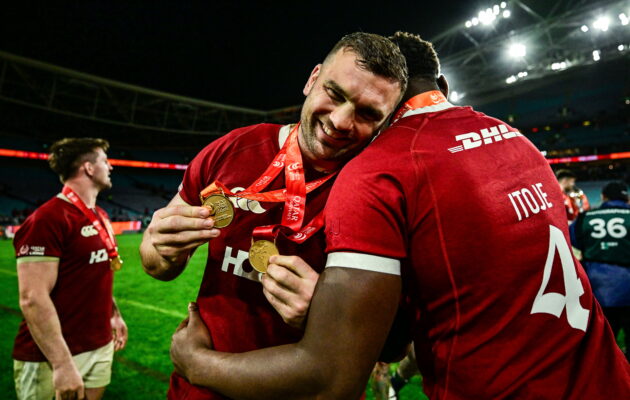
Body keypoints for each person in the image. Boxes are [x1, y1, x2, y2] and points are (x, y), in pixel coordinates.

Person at [168, 31, 630, 399]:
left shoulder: (380, 170)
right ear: (443, 88)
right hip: (608, 376)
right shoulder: (516, 140)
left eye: (369, 111)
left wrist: (196, 363)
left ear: (387, 109)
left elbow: (332, 377)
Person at [139, 32, 407, 400]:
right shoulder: (232, 149)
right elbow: (157, 266)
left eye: (367, 113)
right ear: (312, 79)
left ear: (386, 122)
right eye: (335, 93)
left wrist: (326, 315)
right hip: (195, 390)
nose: (342, 121)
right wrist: (160, 246)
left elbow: (395, 344)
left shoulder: (385, 194)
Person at [12, 138, 128, 400]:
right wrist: (62, 364)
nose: (111, 167)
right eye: (104, 161)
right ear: (88, 168)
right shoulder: (47, 219)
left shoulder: (101, 215)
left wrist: (114, 314)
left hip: (99, 342)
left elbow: (92, 275)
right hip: (53, 354)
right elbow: (32, 298)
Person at [570, 181, 630, 361]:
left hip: (597, 290)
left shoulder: (585, 218)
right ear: (626, 197)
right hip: (628, 288)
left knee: (600, 346)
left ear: (603, 197)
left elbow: (573, 242)